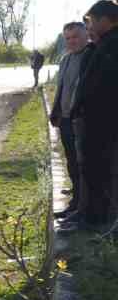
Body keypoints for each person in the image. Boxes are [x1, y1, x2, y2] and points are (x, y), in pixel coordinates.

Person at [71, 0, 118, 233]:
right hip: (95, 120)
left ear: (105, 20)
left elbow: (103, 86)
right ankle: (90, 217)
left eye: (92, 21)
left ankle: (97, 220)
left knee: (101, 173)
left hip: (104, 122)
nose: (89, 26)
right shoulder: (102, 45)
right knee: (91, 170)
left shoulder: (113, 44)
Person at [49, 21, 91, 225]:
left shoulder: (92, 56)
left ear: (86, 36)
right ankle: (75, 203)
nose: (71, 41)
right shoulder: (65, 59)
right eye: (68, 38)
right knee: (72, 162)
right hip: (65, 120)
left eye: (75, 36)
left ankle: (84, 208)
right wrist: (56, 111)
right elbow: (62, 87)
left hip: (83, 121)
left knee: (85, 165)